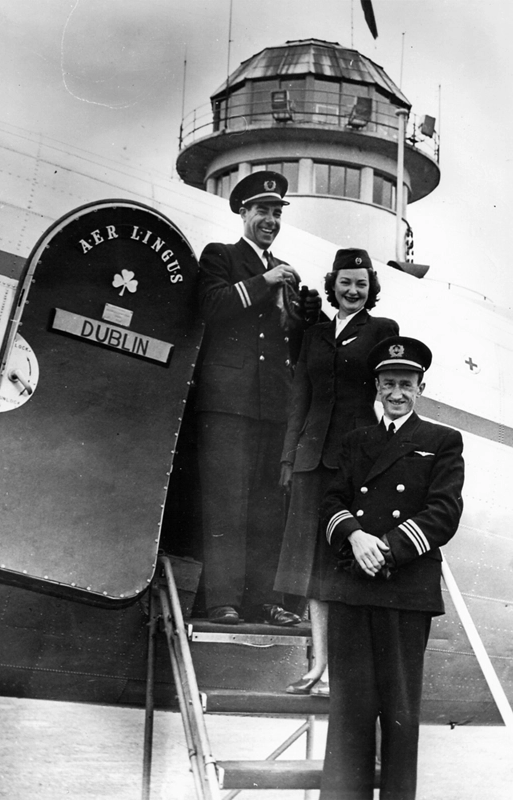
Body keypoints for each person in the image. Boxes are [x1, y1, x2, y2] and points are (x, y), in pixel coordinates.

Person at [319, 336, 465, 800]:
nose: (396, 392)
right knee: (349, 715)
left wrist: (386, 547)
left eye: (406, 383)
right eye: (388, 383)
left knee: (400, 717)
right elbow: (331, 502)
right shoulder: (355, 440)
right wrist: (355, 536)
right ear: (377, 386)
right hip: (353, 590)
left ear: (421, 387)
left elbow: (444, 513)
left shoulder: (441, 441)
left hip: (405, 589)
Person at [196, 170, 320, 626]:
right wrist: (265, 280)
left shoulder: (285, 272)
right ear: (243, 213)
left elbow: (291, 343)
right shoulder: (221, 256)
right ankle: (222, 600)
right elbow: (212, 306)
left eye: (275, 213)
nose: (269, 219)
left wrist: (308, 318)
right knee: (227, 501)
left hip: (273, 405)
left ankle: (264, 601)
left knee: (269, 506)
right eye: (261, 211)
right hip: (227, 401)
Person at [277, 248, 399, 694]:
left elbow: (388, 390)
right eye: (345, 282)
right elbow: (300, 401)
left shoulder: (381, 331)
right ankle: (318, 665)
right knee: (311, 568)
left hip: (354, 461)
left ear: (371, 290)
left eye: (361, 284)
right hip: (311, 460)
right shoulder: (315, 335)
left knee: (341, 565)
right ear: (333, 285)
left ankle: (340, 671)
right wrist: (289, 458)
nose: (352, 291)